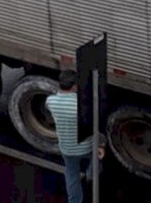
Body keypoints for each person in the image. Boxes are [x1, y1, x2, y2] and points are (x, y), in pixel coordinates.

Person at [46, 70, 105, 203]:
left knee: (72, 174)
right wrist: (101, 145)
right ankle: (90, 175)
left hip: (66, 149)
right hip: (86, 147)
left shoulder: (50, 101)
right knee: (97, 159)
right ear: (74, 87)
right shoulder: (82, 106)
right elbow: (94, 129)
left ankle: (75, 200)